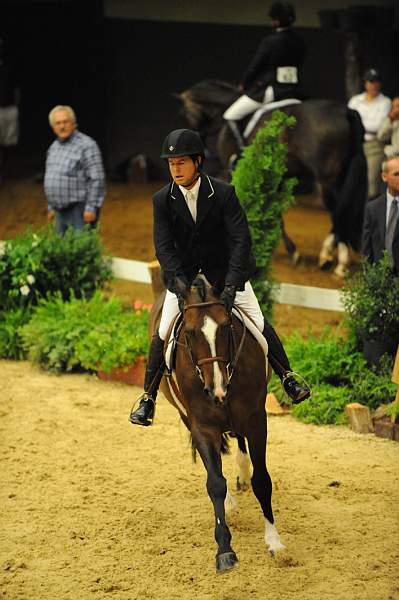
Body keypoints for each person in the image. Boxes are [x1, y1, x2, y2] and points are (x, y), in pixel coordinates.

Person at [129, 128, 311, 427]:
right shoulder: (162, 200)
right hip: (185, 282)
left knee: (258, 323)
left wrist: (230, 286)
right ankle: (148, 398)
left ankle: (288, 376)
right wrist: (178, 286)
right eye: (171, 163)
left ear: (198, 162)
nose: (175, 168)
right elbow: (164, 247)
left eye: (182, 162)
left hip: (225, 275)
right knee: (162, 333)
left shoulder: (223, 193)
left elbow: (241, 241)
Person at [223, 1, 306, 151]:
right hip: (296, 90)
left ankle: (242, 152)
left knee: (230, 115)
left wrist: (244, 84)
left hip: (273, 90)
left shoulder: (270, 41)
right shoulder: (301, 41)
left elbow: (255, 67)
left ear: (275, 21)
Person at [44, 105, 105, 235]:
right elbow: (51, 176)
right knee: (61, 250)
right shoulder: (53, 147)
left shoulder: (87, 145)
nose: (62, 126)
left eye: (65, 122)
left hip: (79, 210)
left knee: (81, 250)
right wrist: (51, 207)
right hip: (58, 211)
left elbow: (97, 179)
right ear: (53, 127)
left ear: (73, 123)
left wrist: (91, 208)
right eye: (58, 123)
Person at [348, 68, 391, 199]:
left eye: (376, 81)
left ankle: (371, 215)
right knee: (353, 180)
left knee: (371, 183)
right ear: (365, 83)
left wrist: (358, 125)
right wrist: (362, 126)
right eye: (371, 81)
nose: (374, 85)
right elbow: (348, 120)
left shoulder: (385, 102)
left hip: (374, 145)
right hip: (355, 144)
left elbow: (378, 126)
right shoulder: (355, 100)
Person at [361, 156, 399, 274]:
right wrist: (369, 277)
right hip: (380, 279)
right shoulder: (372, 208)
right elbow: (367, 248)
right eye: (397, 174)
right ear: (384, 176)